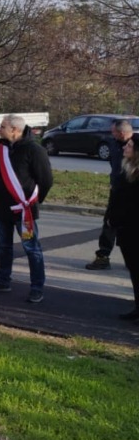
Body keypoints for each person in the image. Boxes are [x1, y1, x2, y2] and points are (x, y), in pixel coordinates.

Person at [0, 115, 54, 303]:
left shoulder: (35, 150)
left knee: (31, 248)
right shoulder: (1, 148)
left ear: (15, 129)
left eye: (3, 126)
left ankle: (37, 287)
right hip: (1, 208)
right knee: (3, 247)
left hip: (25, 211)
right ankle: (3, 280)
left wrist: (34, 201)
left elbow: (46, 180)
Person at [87, 119, 131, 270]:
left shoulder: (135, 144)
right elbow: (114, 164)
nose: (111, 134)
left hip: (132, 193)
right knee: (109, 222)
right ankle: (103, 256)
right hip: (117, 190)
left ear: (122, 133)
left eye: (113, 131)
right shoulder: (113, 144)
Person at [104, 132, 139, 321]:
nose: (125, 147)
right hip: (125, 230)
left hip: (134, 230)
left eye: (130, 145)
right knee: (133, 270)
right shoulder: (126, 169)